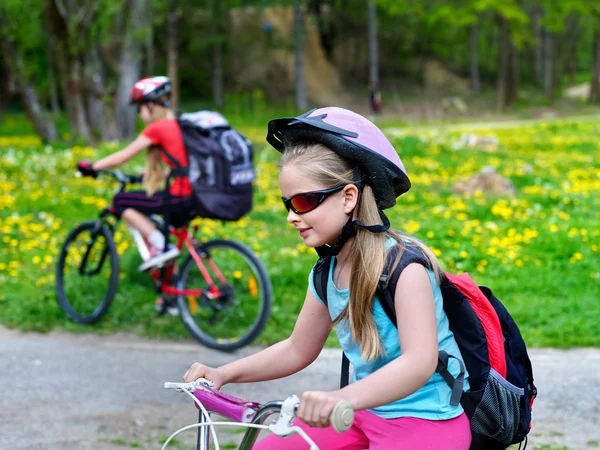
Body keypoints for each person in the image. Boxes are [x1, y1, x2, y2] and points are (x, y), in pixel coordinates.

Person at [183, 107, 471, 450]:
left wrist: (341, 398)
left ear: (348, 197)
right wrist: (224, 373)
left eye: (304, 201)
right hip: (363, 413)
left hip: (426, 420)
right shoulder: (326, 273)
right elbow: (296, 349)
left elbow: (419, 362)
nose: (292, 217)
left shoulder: (403, 269)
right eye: (287, 204)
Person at [76, 76, 195, 274]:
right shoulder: (179, 123)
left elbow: (123, 156)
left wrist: (93, 167)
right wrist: (155, 175)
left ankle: (161, 246)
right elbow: (183, 164)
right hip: (195, 194)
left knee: (121, 201)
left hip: (178, 196)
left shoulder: (159, 127)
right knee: (152, 209)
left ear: (150, 105)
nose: (140, 114)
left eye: (140, 108)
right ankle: (170, 297)